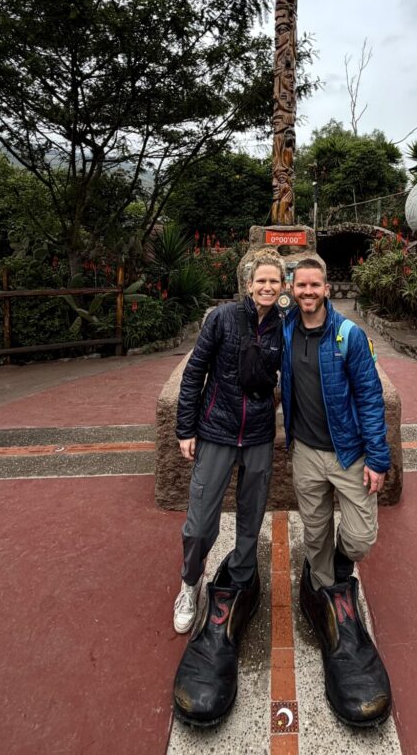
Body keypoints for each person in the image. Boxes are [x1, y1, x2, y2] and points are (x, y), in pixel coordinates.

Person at [172, 250, 285, 727]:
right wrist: (185, 428)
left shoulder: (284, 326)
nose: (267, 287)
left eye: (274, 281)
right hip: (216, 431)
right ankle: (190, 583)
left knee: (251, 516)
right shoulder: (221, 319)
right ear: (248, 282)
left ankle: (240, 580)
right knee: (201, 521)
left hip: (257, 435)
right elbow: (194, 372)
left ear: (282, 286)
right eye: (261, 280)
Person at [281, 254, 392, 727]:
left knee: (361, 537)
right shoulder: (286, 329)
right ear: (293, 289)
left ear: (327, 288)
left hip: (348, 453)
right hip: (305, 452)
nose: (307, 292)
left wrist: (378, 458)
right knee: (314, 533)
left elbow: (370, 396)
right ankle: (329, 599)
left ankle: (338, 566)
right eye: (300, 285)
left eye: (315, 285)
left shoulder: (349, 336)